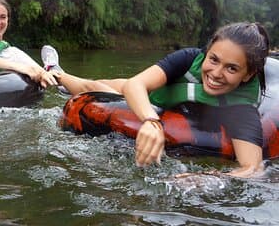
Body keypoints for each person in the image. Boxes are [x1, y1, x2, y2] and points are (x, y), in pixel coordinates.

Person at [41, 22, 270, 178]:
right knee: (95, 86)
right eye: (214, 59)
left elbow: (252, 168)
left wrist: (205, 178)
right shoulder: (190, 58)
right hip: (152, 98)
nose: (217, 73)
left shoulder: (242, 110)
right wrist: (151, 121)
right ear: (207, 53)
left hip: (171, 108)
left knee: (98, 85)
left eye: (231, 68)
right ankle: (56, 72)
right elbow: (135, 84)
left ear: (248, 74)